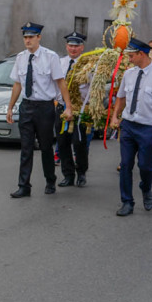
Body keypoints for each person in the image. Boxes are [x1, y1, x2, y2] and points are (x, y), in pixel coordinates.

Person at [109, 38, 152, 216]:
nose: (129, 59)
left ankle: (146, 188)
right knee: (125, 164)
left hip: (149, 128)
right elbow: (121, 97)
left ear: (141, 54)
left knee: (146, 166)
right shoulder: (129, 74)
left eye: (131, 55)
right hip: (129, 126)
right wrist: (115, 116)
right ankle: (127, 201)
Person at [6, 22, 73, 198]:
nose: (27, 40)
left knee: (45, 147)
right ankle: (24, 185)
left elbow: (61, 82)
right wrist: (10, 107)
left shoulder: (50, 57)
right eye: (25, 37)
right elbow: (17, 84)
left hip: (44, 107)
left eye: (31, 37)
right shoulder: (21, 57)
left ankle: (50, 180)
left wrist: (68, 106)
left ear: (38, 37)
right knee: (26, 148)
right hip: (27, 106)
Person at [57, 31, 90, 188]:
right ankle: (68, 175)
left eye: (76, 46)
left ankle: (81, 173)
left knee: (79, 143)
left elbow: (92, 88)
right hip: (62, 108)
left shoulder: (88, 65)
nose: (73, 49)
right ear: (66, 46)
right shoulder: (60, 63)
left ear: (82, 47)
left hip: (80, 109)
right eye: (70, 45)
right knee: (62, 144)